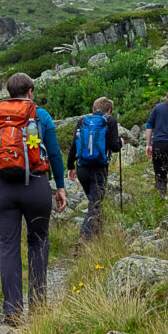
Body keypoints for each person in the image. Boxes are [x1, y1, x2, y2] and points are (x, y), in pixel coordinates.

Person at [0, 72, 67, 325]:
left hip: (3, 188)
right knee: (38, 242)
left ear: (10, 93)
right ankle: (39, 304)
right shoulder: (40, 116)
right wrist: (60, 187)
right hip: (36, 186)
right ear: (30, 91)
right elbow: (53, 154)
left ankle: (12, 310)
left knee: (8, 246)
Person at [66, 97, 124, 240]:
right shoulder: (110, 121)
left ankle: (97, 234)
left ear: (93, 109)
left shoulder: (82, 121)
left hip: (82, 168)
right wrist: (120, 142)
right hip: (99, 168)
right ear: (109, 110)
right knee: (95, 204)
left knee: (93, 201)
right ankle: (84, 238)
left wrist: (70, 166)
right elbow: (114, 147)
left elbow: (74, 144)